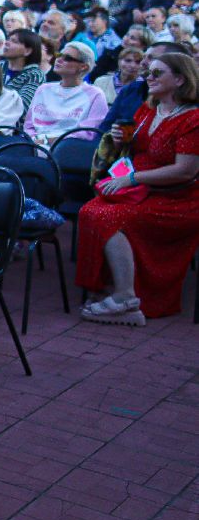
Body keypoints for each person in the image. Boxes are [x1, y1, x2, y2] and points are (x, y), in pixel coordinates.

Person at [75, 52, 199, 324]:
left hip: (176, 198)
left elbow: (186, 170)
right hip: (140, 190)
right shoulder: (148, 109)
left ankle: (126, 299)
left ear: (180, 79)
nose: (148, 77)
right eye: (148, 72)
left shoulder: (193, 119)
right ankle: (108, 287)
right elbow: (135, 148)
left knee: (107, 216)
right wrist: (120, 141)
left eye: (157, 73)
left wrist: (133, 179)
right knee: (89, 210)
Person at [23, 41, 108, 146]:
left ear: (83, 67)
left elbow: (88, 133)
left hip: (68, 149)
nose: (59, 59)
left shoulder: (95, 95)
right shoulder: (43, 89)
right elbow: (29, 126)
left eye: (67, 58)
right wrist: (33, 140)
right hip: (33, 145)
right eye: (59, 55)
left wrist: (47, 140)